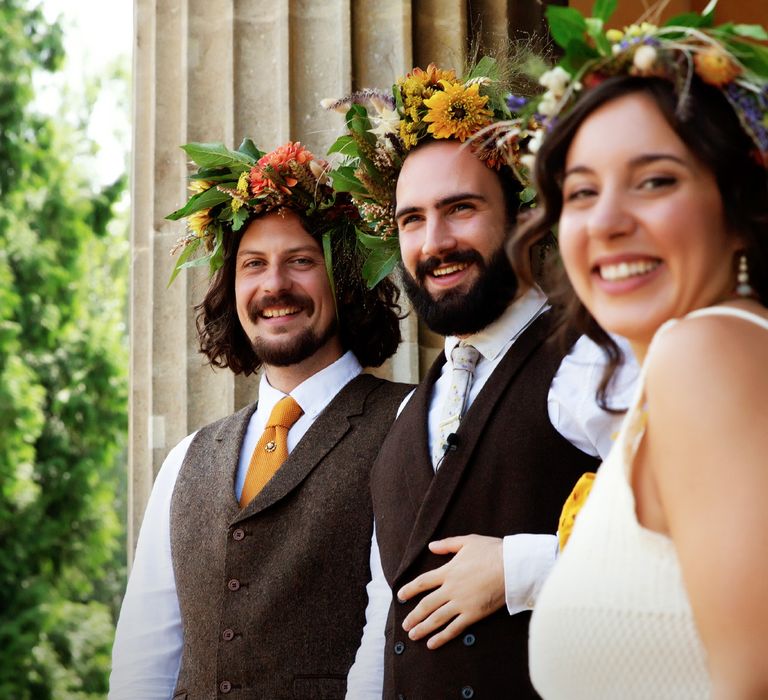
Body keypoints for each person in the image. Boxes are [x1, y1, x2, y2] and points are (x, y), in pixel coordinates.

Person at [326, 59, 636, 697]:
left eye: (460, 208)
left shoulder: (599, 358)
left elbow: (693, 541)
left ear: (523, 215)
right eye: (412, 219)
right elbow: (387, 627)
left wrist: (519, 567)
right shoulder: (409, 418)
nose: (434, 241)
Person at [508, 6, 768, 698]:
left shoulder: (708, 352)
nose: (608, 222)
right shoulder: (688, 371)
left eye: (655, 180)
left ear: (738, 209)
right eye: (582, 192)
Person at [108, 140, 411, 699]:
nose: (274, 286)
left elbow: (391, 639)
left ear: (344, 279)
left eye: (301, 260)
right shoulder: (185, 460)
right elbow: (142, 665)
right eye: (253, 265)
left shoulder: (411, 422)